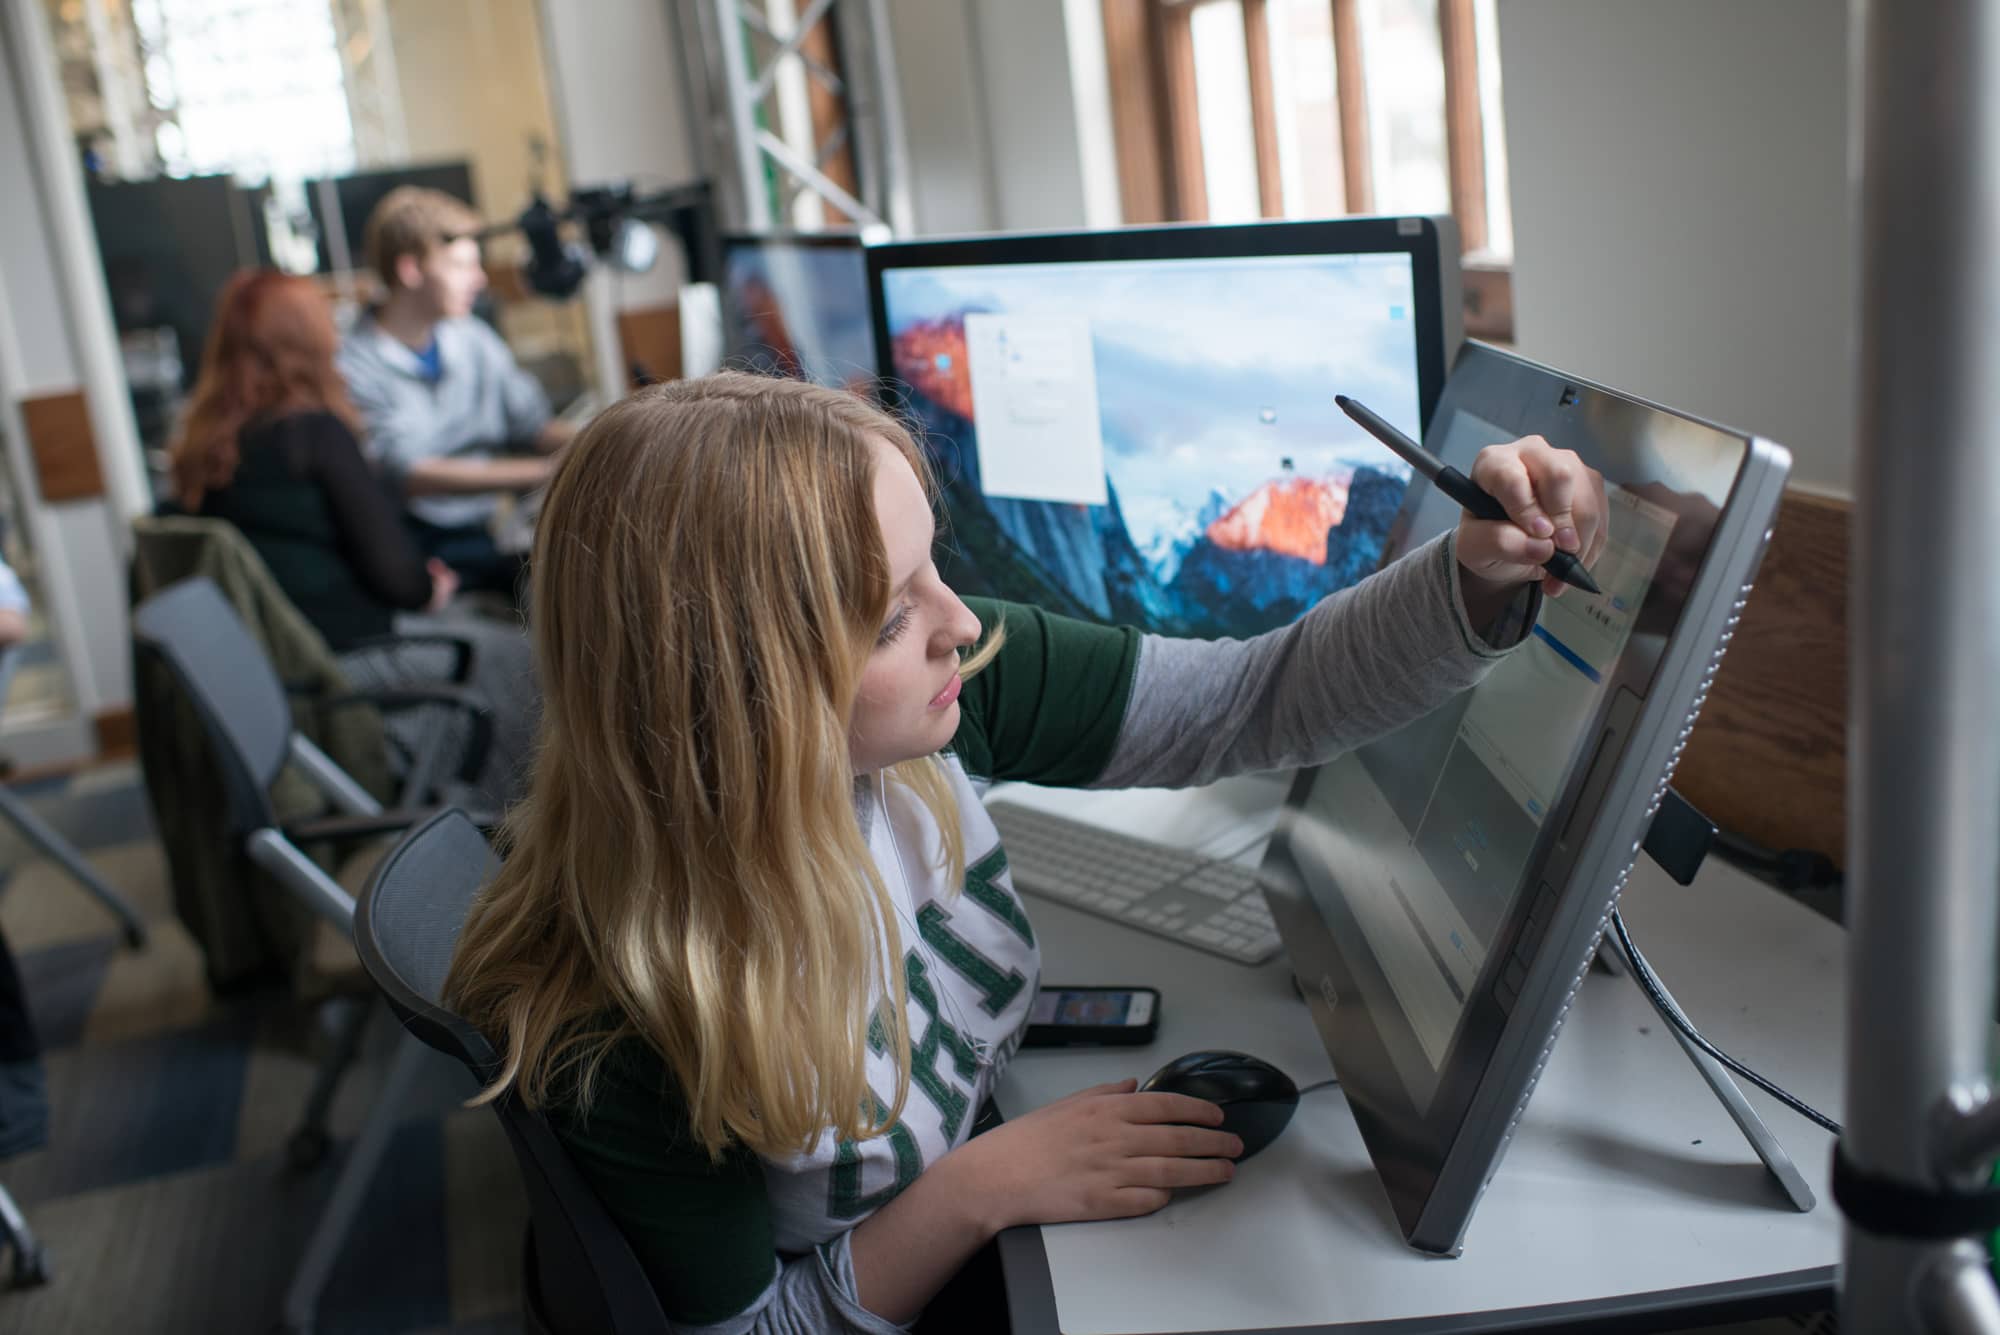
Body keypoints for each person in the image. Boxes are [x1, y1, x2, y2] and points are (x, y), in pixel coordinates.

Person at [443, 373, 1607, 1332]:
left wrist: (1470, 582)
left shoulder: (935, 704)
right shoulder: (621, 1020)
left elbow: (1252, 701)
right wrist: (978, 1190)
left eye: (930, 565)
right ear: (736, 691)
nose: (959, 623)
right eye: (890, 616)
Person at [168, 268, 455, 652]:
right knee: (513, 654)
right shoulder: (313, 434)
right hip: (347, 661)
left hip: (274, 664)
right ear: (309, 340)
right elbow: (400, 582)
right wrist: (430, 587)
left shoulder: (205, 443)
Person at [336, 186, 573, 593]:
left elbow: (533, 426)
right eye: (462, 266)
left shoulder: (474, 340)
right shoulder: (353, 365)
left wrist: (606, 436)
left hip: (487, 530)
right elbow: (409, 474)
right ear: (411, 269)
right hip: (420, 547)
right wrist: (547, 473)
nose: (479, 280)